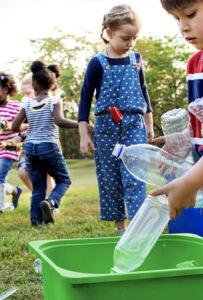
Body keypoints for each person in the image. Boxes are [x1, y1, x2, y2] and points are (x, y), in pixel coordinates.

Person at [78, 4, 154, 236]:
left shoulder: (136, 60)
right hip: (106, 129)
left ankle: (138, 229)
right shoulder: (96, 64)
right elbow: (84, 101)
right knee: (110, 179)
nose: (130, 43)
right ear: (109, 33)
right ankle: (121, 229)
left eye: (134, 38)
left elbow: (144, 94)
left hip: (133, 125)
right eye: (125, 37)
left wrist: (149, 126)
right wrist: (83, 135)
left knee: (135, 177)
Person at [152, 0, 203, 227]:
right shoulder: (195, 64)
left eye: (191, 14)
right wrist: (186, 137)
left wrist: (189, 182)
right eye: (177, 19)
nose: (183, 27)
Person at [11, 60, 83, 226]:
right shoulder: (54, 101)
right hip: (48, 146)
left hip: (30, 149)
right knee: (64, 181)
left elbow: (15, 126)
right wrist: (81, 123)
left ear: (34, 86)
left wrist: (26, 126)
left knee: (38, 187)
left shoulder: (27, 103)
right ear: (54, 87)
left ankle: (36, 221)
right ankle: (51, 202)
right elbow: (60, 121)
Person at [0, 71, 25, 216]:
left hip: (11, 146)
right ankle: (14, 191)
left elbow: (26, 125)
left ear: (6, 90)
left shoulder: (16, 107)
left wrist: (12, 126)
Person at [15, 75, 55, 198]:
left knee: (46, 176)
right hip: (30, 150)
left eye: (28, 93)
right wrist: (16, 140)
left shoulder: (50, 105)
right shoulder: (26, 110)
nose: (24, 97)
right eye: (23, 94)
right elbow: (20, 130)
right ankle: (41, 197)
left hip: (47, 147)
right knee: (22, 172)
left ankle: (50, 204)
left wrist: (29, 129)